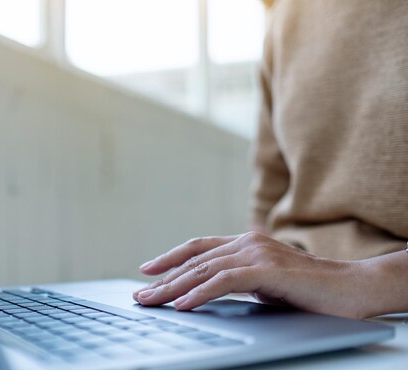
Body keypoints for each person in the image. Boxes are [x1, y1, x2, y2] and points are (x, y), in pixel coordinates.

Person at [133, 0, 408, 319]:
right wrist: (248, 285)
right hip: (288, 311)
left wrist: (359, 281)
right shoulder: (286, 14)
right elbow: (267, 204)